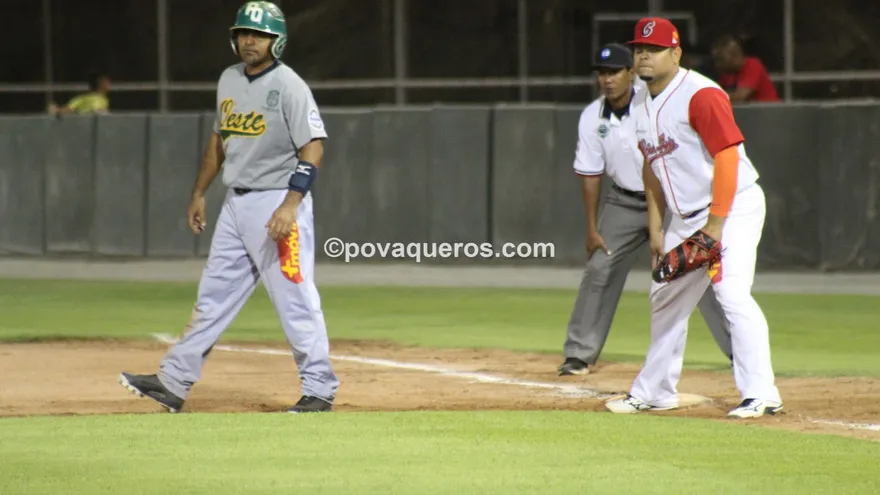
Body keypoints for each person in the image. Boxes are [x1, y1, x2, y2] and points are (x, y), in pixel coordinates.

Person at [119, 1, 339, 414]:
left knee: (295, 297)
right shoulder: (229, 79)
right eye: (243, 33)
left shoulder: (289, 85)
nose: (249, 40)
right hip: (236, 205)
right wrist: (199, 191)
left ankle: (320, 388)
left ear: (277, 41)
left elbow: (314, 147)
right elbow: (219, 140)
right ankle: (173, 382)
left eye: (258, 34)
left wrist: (292, 204)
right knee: (212, 297)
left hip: (277, 204)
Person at [604, 18, 783, 418]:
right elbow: (651, 166)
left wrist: (716, 226)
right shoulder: (639, 101)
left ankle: (762, 393)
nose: (644, 55)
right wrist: (655, 227)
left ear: (676, 53)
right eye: (638, 49)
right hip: (686, 215)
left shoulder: (700, 94)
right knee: (665, 298)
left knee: (732, 294)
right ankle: (656, 391)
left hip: (732, 207)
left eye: (654, 48)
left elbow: (727, 157)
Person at [559, 43, 733, 377]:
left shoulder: (652, 100)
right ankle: (579, 353)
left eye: (614, 72)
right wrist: (592, 227)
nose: (607, 80)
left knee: (701, 271)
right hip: (623, 201)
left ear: (631, 73)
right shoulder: (591, 116)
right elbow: (590, 175)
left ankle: (737, 352)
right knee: (599, 269)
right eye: (602, 73)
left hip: (670, 202)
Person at [711, 35, 779, 103]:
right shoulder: (728, 73)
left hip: (767, 111)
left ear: (734, 56)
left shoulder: (753, 65)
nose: (717, 64)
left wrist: (714, 98)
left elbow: (739, 97)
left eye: (720, 59)